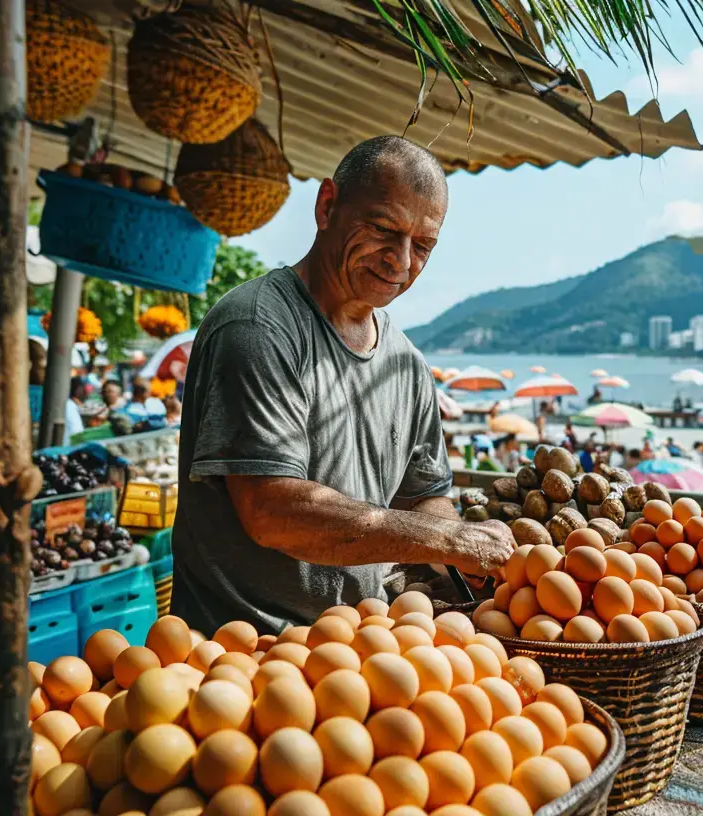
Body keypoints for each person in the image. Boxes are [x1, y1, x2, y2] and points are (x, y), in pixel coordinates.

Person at [171, 136, 514, 633]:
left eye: (423, 245)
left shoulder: (406, 365)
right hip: (238, 654)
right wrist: (447, 541)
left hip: (353, 651)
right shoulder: (258, 327)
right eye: (382, 229)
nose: (401, 261)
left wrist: (457, 556)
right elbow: (272, 508)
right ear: (327, 206)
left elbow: (422, 498)